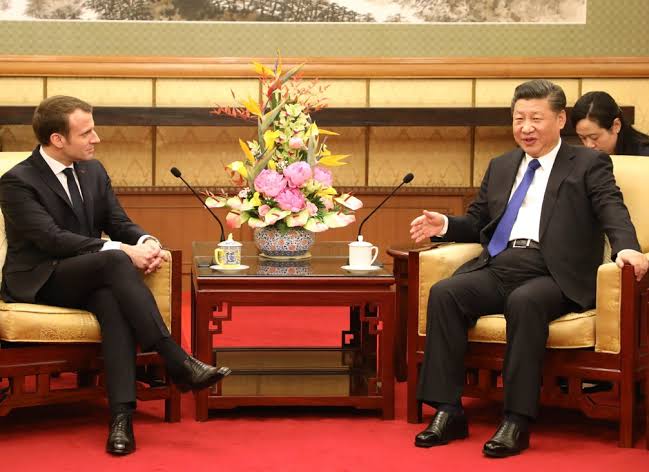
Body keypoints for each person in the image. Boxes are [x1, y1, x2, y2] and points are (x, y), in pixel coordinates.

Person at [409, 80, 648, 458]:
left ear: (560, 119)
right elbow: (479, 222)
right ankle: (448, 410)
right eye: (519, 118)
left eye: (536, 118)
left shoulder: (588, 163)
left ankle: (516, 420)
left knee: (525, 301)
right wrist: (446, 226)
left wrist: (628, 248)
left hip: (555, 273)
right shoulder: (502, 165)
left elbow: (611, 208)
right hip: (502, 263)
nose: (526, 127)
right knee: (446, 294)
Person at [0, 96, 231, 456]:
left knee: (112, 301)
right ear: (57, 139)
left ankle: (121, 419)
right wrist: (123, 251)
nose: (97, 138)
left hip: (90, 274)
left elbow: (118, 222)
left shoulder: (93, 171)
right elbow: (52, 239)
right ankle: (175, 359)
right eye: (86, 132)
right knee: (115, 261)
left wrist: (147, 243)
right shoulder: (18, 181)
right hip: (40, 278)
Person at [571, 91, 649, 156]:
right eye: (583, 138)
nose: (588, 145)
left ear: (616, 126)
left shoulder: (644, 155)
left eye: (594, 137)